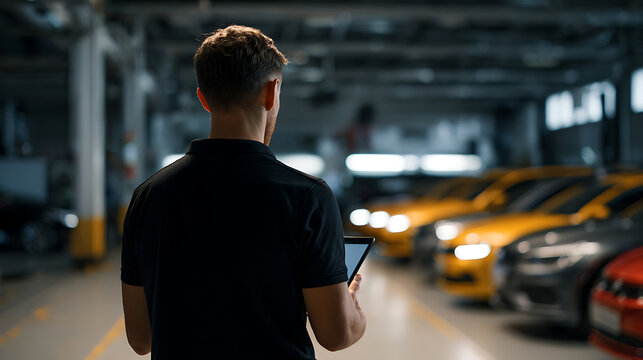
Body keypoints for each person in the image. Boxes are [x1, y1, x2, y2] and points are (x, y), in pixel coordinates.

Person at [120, 25, 366, 359]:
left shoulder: (148, 196)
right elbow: (336, 335)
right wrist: (352, 312)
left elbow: (140, 339)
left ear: (203, 99)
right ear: (272, 92)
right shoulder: (308, 197)